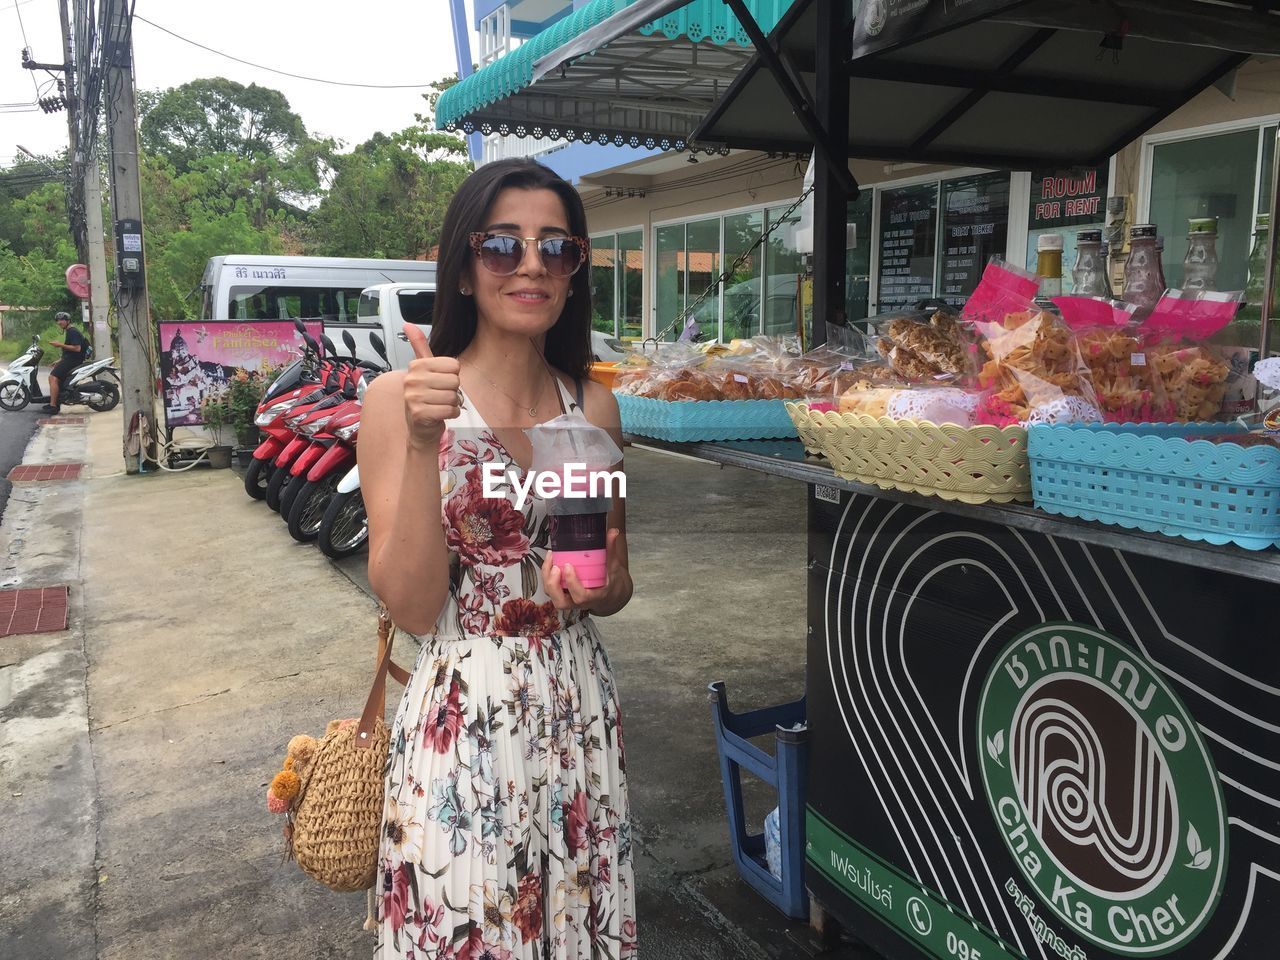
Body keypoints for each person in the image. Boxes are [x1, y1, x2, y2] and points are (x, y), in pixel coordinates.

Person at [359, 158, 636, 960]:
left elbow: (609, 579)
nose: (530, 266)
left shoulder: (593, 404)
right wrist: (420, 441)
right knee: (467, 927)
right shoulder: (402, 400)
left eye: (555, 247)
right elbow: (412, 608)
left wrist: (608, 587)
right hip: (463, 713)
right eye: (502, 245)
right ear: (463, 263)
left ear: (576, 269)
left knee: (575, 924)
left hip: (578, 708)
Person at [44, 311, 89, 413]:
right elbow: (69, 351)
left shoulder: (73, 331)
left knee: (53, 377)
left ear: (68, 321)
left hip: (73, 361)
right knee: (57, 379)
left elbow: (77, 348)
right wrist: (59, 360)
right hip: (70, 359)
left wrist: (59, 344)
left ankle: (53, 406)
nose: (59, 322)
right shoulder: (70, 331)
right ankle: (57, 401)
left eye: (62, 320)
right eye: (58, 320)